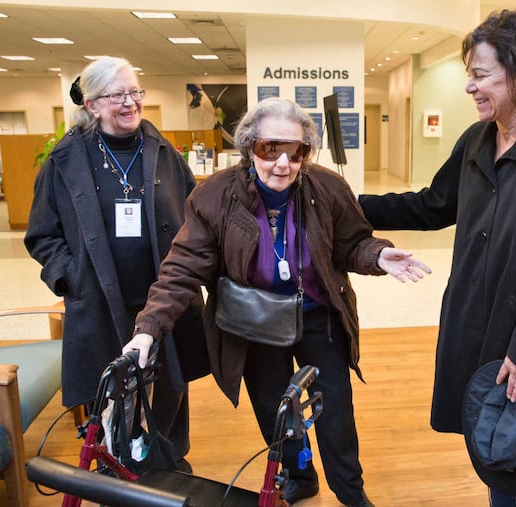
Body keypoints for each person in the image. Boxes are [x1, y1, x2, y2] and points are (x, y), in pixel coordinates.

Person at [358, 9, 516, 506]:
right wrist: (345, 203)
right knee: (498, 448)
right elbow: (432, 205)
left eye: (480, 75)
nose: (469, 87)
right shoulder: (477, 138)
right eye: (468, 75)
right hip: (477, 324)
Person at [122, 97, 430, 507]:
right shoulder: (213, 197)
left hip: (318, 316)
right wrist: (148, 329)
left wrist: (377, 255)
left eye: (296, 151)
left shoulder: (327, 187)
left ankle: (351, 493)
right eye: (271, 149)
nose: (283, 163)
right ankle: (299, 476)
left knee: (336, 411)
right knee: (275, 412)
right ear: (250, 147)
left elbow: (352, 242)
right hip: (255, 324)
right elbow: (181, 268)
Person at [24, 56, 208, 470]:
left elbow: (197, 213)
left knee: (170, 385)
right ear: (92, 104)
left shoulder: (163, 151)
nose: (130, 103)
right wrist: (69, 277)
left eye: (134, 92)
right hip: (98, 298)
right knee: (109, 386)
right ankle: (115, 459)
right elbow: (42, 234)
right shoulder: (65, 159)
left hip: (162, 295)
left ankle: (167, 459)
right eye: (117, 95)